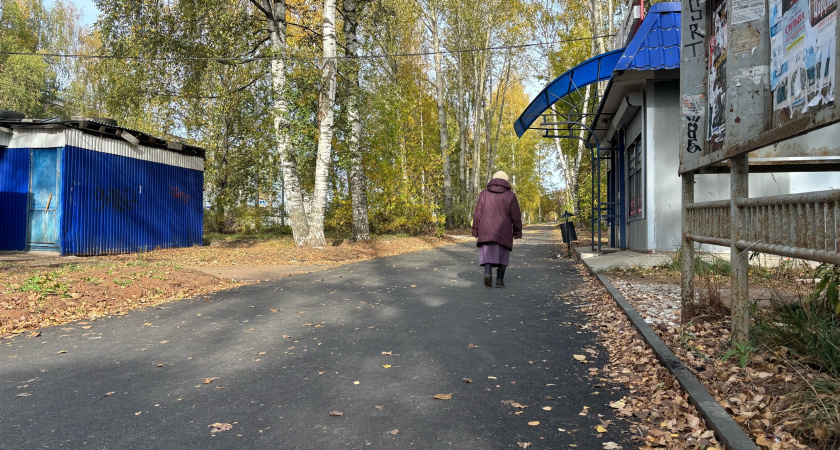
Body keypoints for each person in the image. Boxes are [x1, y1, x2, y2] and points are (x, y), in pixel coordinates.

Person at [472, 171, 523, 287]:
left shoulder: (484, 194)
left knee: (487, 253)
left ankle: (488, 273)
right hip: (503, 230)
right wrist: (517, 231)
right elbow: (516, 215)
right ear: (506, 181)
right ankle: (500, 281)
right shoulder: (510, 196)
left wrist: (475, 229)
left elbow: (477, 213)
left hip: (485, 229)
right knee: (503, 254)